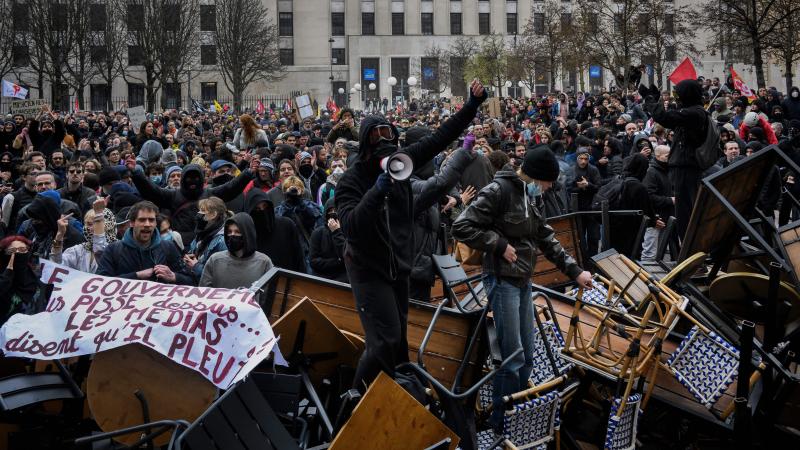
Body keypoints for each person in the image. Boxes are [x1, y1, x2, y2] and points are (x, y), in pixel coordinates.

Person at [336, 79, 487, 392]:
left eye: (387, 133)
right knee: (383, 341)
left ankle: (391, 396)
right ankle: (352, 401)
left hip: (399, 267)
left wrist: (473, 105)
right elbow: (351, 226)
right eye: (375, 135)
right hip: (367, 269)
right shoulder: (352, 180)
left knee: (400, 343)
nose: (382, 139)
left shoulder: (403, 161)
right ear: (365, 143)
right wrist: (378, 191)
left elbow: (439, 138)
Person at [452, 145, 592, 431]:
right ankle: (501, 421)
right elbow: (461, 226)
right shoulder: (498, 191)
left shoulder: (532, 197)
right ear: (533, 177)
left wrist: (575, 271)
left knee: (527, 354)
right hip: (501, 280)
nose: (549, 188)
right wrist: (499, 245)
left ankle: (516, 414)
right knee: (513, 355)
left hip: (523, 280)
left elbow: (546, 238)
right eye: (547, 183)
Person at [650, 79, 708, 241]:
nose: (676, 98)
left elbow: (665, 118)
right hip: (682, 167)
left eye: (679, 95)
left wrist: (650, 100)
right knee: (683, 212)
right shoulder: (691, 111)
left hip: (686, 168)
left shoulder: (694, 113)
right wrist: (657, 99)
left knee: (685, 213)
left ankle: (690, 251)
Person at [97, 201, 192, 284]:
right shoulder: (113, 250)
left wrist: (174, 277)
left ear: (155, 223)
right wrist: (136, 276)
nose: (147, 224)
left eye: (151, 220)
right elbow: (101, 283)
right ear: (132, 223)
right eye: (142, 220)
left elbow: (190, 280)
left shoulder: (168, 247)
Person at [199, 213, 273, 289]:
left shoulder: (264, 262)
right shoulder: (215, 259)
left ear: (247, 234)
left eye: (237, 232)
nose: (232, 235)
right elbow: (203, 291)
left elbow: (269, 294)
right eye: (229, 231)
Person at [610, 154, 662, 258]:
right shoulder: (638, 187)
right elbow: (646, 209)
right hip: (631, 232)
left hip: (614, 228)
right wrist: (654, 221)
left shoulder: (620, 179)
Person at [245, 190, 306, 272]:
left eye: (265, 206)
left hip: (289, 278)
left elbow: (299, 257)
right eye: (257, 209)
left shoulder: (286, 225)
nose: (262, 211)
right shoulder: (248, 233)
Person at [51, 198, 115, 273]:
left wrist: (99, 216)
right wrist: (59, 235)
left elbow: (100, 251)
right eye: (87, 224)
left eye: (94, 224)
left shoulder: (118, 249)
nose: (88, 228)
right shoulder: (78, 250)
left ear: (108, 225)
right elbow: (55, 265)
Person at [184, 197, 229, 283]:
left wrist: (196, 266)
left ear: (213, 215)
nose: (198, 214)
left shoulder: (223, 241)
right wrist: (189, 259)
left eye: (203, 211)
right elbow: (192, 252)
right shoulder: (202, 234)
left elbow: (218, 277)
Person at [566, 148, 601, 258]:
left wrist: (588, 185)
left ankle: (593, 260)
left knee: (593, 237)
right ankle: (582, 260)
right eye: (581, 158)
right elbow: (568, 188)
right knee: (579, 237)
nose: (583, 161)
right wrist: (580, 187)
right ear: (577, 159)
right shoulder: (572, 170)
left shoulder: (593, 170)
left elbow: (598, 187)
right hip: (577, 209)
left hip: (591, 208)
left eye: (586, 159)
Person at [0, 236, 42, 325]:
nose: (18, 253)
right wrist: (6, 277)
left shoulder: (35, 277)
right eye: (12, 251)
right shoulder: (3, 276)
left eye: (22, 250)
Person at [642, 145, 674, 260]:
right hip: (655, 218)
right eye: (667, 155)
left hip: (667, 217)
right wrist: (670, 200)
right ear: (658, 156)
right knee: (650, 254)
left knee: (660, 253)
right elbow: (649, 196)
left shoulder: (669, 170)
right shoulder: (651, 172)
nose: (670, 157)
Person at [309, 199, 348, 283]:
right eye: (331, 211)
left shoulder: (347, 231)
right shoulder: (318, 233)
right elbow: (313, 261)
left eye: (336, 210)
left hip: (344, 280)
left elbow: (347, 255)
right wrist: (337, 262)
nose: (333, 214)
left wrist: (337, 232)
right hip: (324, 279)